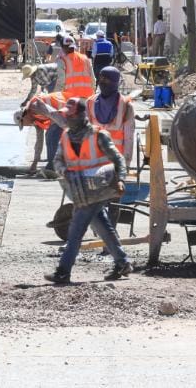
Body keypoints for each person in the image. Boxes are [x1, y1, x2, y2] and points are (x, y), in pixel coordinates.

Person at [31, 96, 132, 284]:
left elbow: (117, 158)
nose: (68, 119)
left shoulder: (98, 135)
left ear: (81, 115)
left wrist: (121, 179)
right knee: (102, 226)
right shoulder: (66, 136)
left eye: (71, 116)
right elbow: (58, 160)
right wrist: (64, 171)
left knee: (76, 231)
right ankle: (123, 262)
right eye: (67, 116)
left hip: (99, 189)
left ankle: (63, 271)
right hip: (79, 191)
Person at [16, 91, 66, 177]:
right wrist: (35, 163)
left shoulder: (35, 106)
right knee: (50, 135)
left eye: (23, 124)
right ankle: (53, 167)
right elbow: (39, 141)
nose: (26, 125)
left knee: (51, 134)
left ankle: (53, 167)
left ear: (23, 116)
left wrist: (68, 128)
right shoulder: (34, 119)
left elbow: (53, 114)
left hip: (66, 108)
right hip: (60, 115)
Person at [56, 35, 95, 100]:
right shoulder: (85, 58)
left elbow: (61, 81)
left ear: (62, 48)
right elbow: (93, 79)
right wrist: (93, 92)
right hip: (87, 97)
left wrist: (57, 96)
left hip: (71, 99)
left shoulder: (62, 60)